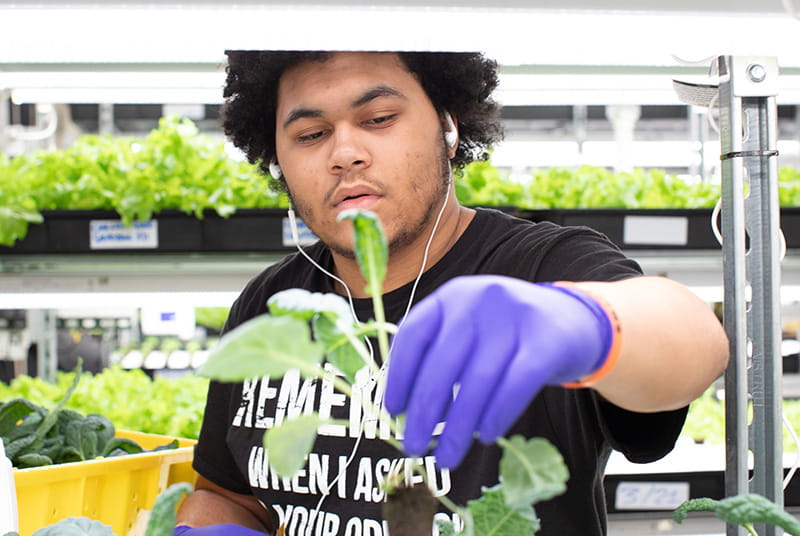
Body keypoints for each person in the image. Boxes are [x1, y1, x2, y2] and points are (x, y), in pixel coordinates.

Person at [175, 50, 729, 536]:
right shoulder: (269, 305)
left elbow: (695, 341)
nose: (344, 153)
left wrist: (584, 322)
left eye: (379, 118)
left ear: (447, 127)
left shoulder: (539, 268)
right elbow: (228, 493)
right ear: (278, 158)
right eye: (311, 135)